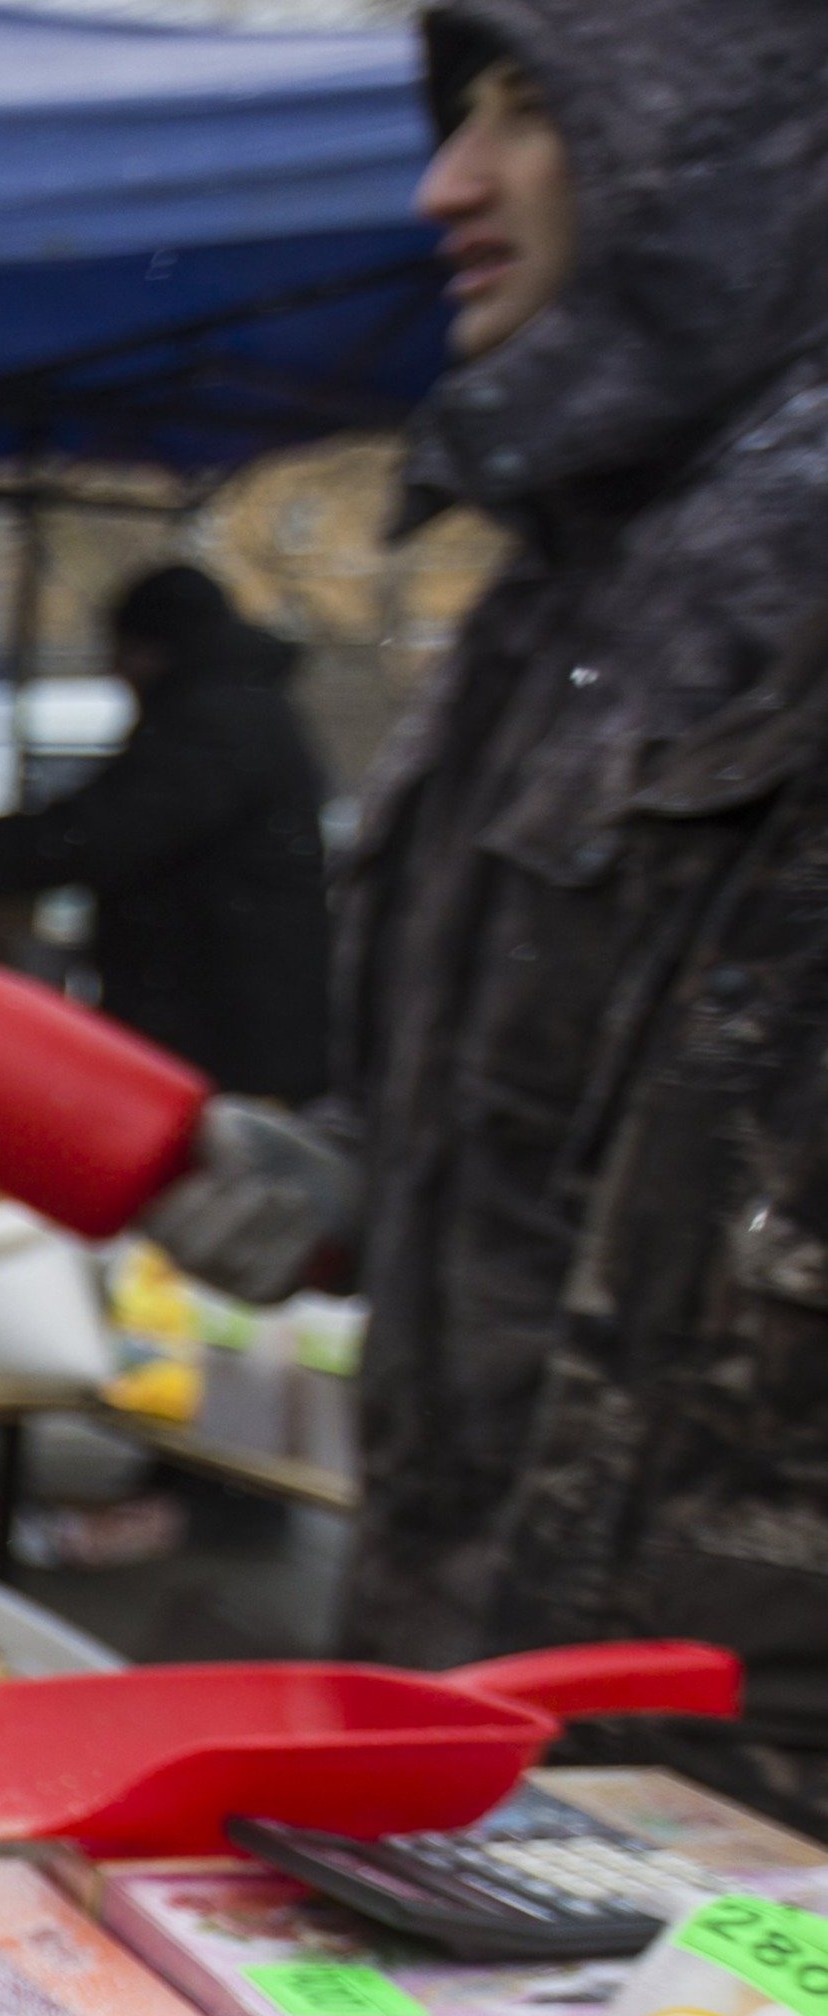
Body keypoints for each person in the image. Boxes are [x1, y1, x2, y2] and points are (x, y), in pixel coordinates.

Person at [120, 0, 828, 1804]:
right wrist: (348, 1177)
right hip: (497, 1716)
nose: (444, 184)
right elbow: (612, 1154)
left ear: (727, 140)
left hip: (732, 1789)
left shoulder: (783, 573)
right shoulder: (567, 586)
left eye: (529, 114)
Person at [0, 566, 336, 1103]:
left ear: (149, 650)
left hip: (227, 1023)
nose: (115, 673)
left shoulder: (214, 720)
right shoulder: (236, 707)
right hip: (236, 1012)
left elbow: (91, 838)